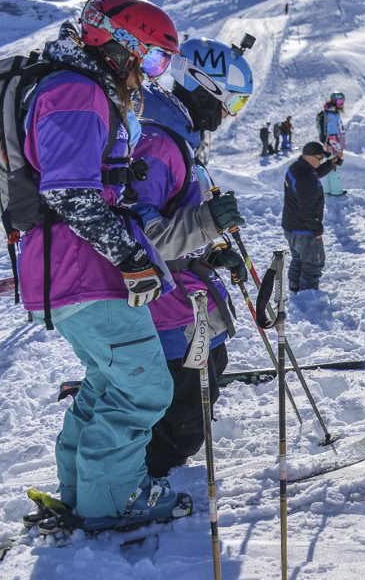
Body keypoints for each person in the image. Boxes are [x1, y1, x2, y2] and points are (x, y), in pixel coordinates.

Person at [20, 0, 190, 530]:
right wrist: (132, 257)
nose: (153, 73)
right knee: (144, 387)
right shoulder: (75, 91)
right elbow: (71, 192)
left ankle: (83, 493)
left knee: (107, 382)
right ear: (121, 45)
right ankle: (110, 503)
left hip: (73, 268)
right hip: (84, 268)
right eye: (155, 58)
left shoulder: (77, 85)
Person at [133, 36, 254, 477]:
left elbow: (176, 223)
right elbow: (143, 237)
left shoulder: (176, 140)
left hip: (184, 299)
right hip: (166, 309)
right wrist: (207, 223)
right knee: (182, 415)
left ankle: (143, 476)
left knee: (196, 395)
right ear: (205, 85)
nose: (228, 116)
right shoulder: (158, 144)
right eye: (233, 103)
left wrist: (213, 254)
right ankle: (139, 483)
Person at [282, 142, 341, 292]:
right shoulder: (306, 179)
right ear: (308, 157)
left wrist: (331, 163)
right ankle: (307, 297)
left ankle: (295, 289)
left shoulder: (297, 168)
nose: (320, 160)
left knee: (299, 260)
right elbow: (306, 211)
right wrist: (317, 230)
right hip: (304, 230)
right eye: (319, 158)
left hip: (291, 227)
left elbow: (315, 173)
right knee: (313, 264)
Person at [316, 91, 347, 196]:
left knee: (329, 165)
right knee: (336, 166)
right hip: (332, 143)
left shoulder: (329, 113)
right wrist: (339, 149)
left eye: (342, 101)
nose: (341, 104)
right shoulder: (332, 115)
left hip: (327, 145)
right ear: (334, 101)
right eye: (339, 101)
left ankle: (328, 189)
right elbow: (331, 134)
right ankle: (337, 191)